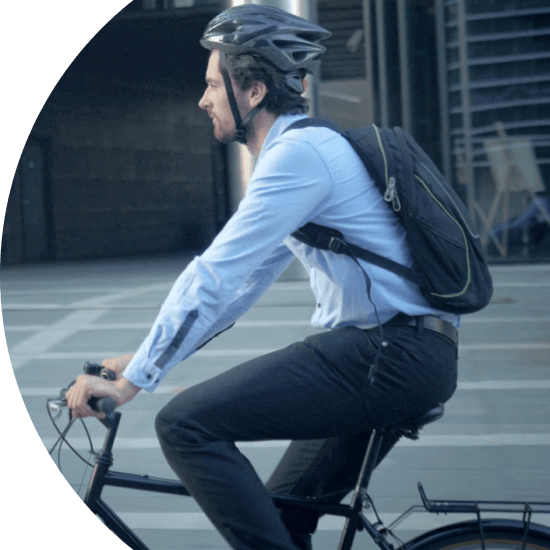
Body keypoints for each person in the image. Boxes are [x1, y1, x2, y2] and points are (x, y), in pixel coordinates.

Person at [66, 5, 459, 550]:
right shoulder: (304, 152)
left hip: (385, 355)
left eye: (211, 84)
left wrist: (131, 385)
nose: (203, 99)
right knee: (281, 517)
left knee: (184, 425)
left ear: (251, 91)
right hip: (400, 356)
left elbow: (213, 274)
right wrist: (143, 358)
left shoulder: (297, 156)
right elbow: (239, 289)